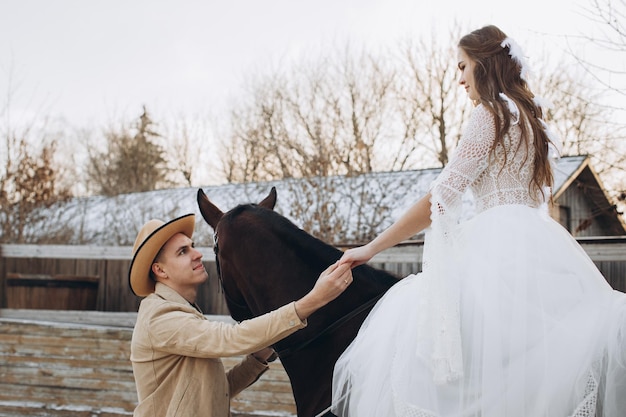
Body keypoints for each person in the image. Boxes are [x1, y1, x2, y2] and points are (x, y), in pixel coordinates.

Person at [331, 25, 626, 417]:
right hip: (539, 243)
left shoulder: (489, 114)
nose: (459, 79)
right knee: (529, 360)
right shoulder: (532, 121)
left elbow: (440, 197)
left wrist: (371, 247)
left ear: (483, 65)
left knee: (417, 338)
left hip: (495, 247)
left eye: (463, 67)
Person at [127, 213, 353, 417]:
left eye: (192, 246)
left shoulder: (184, 311)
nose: (198, 254)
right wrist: (314, 300)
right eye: (183, 252)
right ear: (160, 270)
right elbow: (229, 338)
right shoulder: (160, 317)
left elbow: (216, 391)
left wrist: (259, 357)